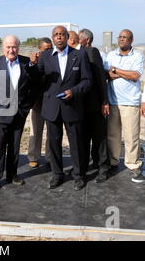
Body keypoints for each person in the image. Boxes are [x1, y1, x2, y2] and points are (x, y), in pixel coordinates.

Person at [30, 26, 92, 191]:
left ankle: (79, 175)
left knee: (76, 144)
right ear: (53, 38)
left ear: (67, 36)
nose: (59, 37)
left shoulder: (79, 55)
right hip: (52, 108)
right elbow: (37, 80)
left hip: (72, 107)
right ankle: (57, 174)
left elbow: (87, 81)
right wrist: (32, 65)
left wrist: (74, 91)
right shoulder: (45, 56)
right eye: (56, 35)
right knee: (54, 143)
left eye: (62, 34)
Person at [0, 35, 38, 192]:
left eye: (14, 47)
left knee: (15, 146)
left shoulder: (26, 62)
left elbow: (34, 86)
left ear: (18, 47)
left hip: (19, 113)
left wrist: (26, 106)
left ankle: (12, 175)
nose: (11, 50)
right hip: (0, 113)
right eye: (8, 47)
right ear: (3, 48)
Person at [104, 29, 145, 183]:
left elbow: (135, 76)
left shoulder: (138, 56)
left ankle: (133, 166)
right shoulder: (110, 55)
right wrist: (122, 73)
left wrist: (116, 70)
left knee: (131, 137)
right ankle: (113, 162)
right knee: (113, 136)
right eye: (120, 37)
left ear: (131, 40)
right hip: (113, 101)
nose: (122, 40)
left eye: (125, 37)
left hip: (130, 102)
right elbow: (107, 74)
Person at [78, 29, 111, 183]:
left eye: (79, 38)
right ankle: (84, 166)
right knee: (83, 139)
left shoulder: (92, 51)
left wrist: (104, 101)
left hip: (95, 105)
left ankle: (103, 167)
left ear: (87, 40)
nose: (77, 40)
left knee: (99, 138)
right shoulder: (77, 54)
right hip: (81, 106)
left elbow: (99, 77)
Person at [27, 37, 52, 168]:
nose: (49, 51)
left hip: (51, 103)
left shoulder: (55, 61)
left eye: (51, 48)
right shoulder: (33, 63)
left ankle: (50, 156)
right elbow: (29, 82)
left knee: (51, 133)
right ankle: (33, 156)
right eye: (46, 49)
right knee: (35, 131)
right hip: (37, 103)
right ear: (40, 50)